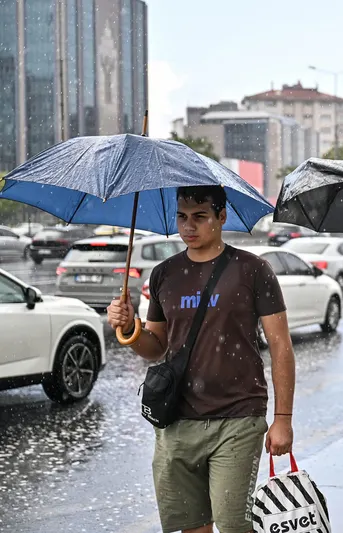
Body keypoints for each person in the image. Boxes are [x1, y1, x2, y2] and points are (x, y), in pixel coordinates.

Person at [107, 185, 296, 533]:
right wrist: (130, 328)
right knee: (192, 526)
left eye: (199, 217)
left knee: (233, 524)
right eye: (182, 217)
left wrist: (282, 418)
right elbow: (156, 346)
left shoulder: (253, 270)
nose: (188, 227)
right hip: (177, 421)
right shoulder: (164, 273)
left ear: (221, 217)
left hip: (238, 417)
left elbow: (281, 346)